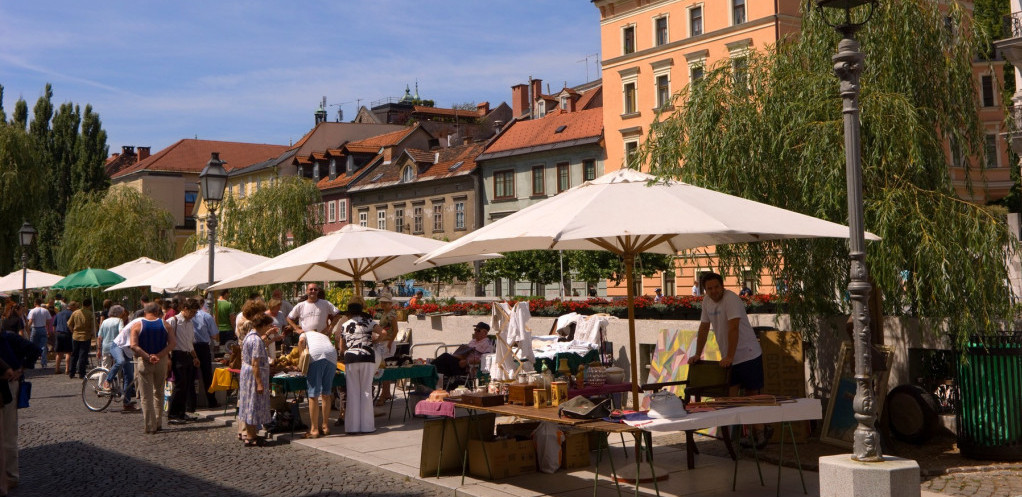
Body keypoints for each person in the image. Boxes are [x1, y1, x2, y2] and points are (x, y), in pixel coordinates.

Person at [688, 271, 767, 448]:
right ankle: (737, 435)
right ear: (704, 290)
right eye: (710, 288)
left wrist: (730, 356)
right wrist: (697, 354)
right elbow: (703, 328)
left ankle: (760, 433)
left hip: (748, 354)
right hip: (730, 359)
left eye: (717, 287)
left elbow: (734, 328)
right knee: (730, 398)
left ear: (722, 286)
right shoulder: (706, 302)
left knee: (752, 396)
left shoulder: (731, 299)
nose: (714, 291)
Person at [338, 300, 386, 434]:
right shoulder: (369, 321)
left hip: (351, 358)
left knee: (352, 392)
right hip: (367, 357)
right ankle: (367, 426)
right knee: (366, 391)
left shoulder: (345, 324)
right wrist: (375, 341)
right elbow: (383, 333)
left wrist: (347, 349)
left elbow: (341, 348)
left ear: (349, 314)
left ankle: (352, 427)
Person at [0, 328, 39, 491]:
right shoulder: (7, 336)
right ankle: (10, 476)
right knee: (7, 434)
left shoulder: (7, 337)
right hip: (8, 383)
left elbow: (35, 349)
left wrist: (20, 369)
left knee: (7, 434)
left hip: (7, 385)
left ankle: (10, 477)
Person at [129, 302, 175, 434]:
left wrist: (148, 356)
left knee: (146, 395)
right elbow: (172, 343)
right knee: (159, 392)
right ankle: (158, 420)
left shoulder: (137, 325)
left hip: (145, 361)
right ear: (157, 312)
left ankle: (150, 425)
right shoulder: (165, 325)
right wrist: (159, 355)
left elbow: (133, 345)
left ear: (145, 312)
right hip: (161, 361)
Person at [294, 320, 338, 438]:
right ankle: (325, 426)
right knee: (326, 394)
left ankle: (314, 429)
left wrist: (301, 358)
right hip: (332, 356)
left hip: (316, 356)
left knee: (313, 394)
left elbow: (301, 342)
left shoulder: (304, 334)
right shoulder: (323, 336)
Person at [237, 302, 272, 446]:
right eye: (268, 325)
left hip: (247, 373)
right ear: (262, 325)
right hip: (252, 375)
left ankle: (251, 434)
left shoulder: (249, 336)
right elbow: (255, 363)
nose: (269, 328)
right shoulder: (256, 340)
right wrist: (259, 383)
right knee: (253, 403)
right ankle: (251, 436)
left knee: (248, 403)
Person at [167, 299, 201, 424]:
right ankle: (172, 414)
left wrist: (195, 357)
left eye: (195, 312)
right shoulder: (173, 321)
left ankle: (181, 412)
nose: (193, 315)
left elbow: (190, 343)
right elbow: (167, 341)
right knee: (180, 385)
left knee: (186, 385)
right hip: (177, 355)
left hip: (188, 355)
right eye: (191, 312)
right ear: (185, 308)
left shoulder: (190, 323)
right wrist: (168, 358)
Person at [106, 315, 138, 412]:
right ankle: (108, 380)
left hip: (128, 351)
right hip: (118, 346)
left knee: (129, 377)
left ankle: (126, 403)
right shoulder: (138, 323)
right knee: (121, 361)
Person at [192, 299, 219, 409]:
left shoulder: (186, 317)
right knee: (207, 375)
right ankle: (211, 401)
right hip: (203, 347)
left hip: (191, 347)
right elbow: (214, 334)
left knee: (191, 375)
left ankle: (192, 404)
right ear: (202, 304)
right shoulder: (206, 316)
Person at [373, 294, 398, 405]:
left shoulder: (391, 314)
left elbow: (396, 330)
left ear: (390, 304)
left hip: (388, 342)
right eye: (382, 302)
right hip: (384, 342)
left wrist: (390, 342)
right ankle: (385, 392)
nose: (382, 304)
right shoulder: (385, 313)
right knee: (383, 367)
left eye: (384, 303)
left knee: (384, 368)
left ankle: (384, 394)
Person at [67, 298, 96, 379]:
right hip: (86, 337)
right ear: (89, 305)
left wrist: (72, 331)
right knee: (83, 355)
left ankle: (71, 372)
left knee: (74, 355)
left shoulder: (75, 313)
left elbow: (69, 324)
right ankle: (81, 373)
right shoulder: (90, 314)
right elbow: (94, 327)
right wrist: (92, 334)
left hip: (75, 336)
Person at [25, 299, 49, 369]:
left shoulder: (32, 311)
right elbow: (48, 321)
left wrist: (27, 328)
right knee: (43, 346)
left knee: (32, 346)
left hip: (35, 328)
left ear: (35, 303)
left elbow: (30, 320)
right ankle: (44, 363)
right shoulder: (45, 310)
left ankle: (32, 361)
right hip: (43, 328)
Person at [52, 302, 73, 374]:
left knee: (59, 352)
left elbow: (54, 325)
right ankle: (67, 369)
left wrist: (55, 333)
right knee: (68, 352)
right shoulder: (71, 313)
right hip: (67, 333)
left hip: (58, 333)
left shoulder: (58, 314)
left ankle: (57, 369)